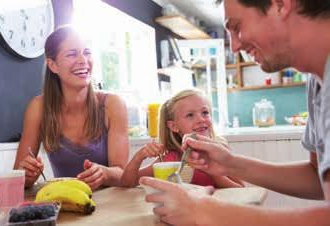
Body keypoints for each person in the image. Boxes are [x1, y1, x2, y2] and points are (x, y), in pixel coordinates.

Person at [140, 0, 330, 225]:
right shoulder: (317, 82)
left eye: (236, 27)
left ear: (281, 4)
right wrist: (230, 164)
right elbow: (316, 176)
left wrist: (210, 213)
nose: (234, 46)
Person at [14, 25, 129, 190]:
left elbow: (123, 174)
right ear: (53, 65)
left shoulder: (112, 105)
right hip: (66, 205)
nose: (83, 60)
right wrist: (28, 174)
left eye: (87, 52)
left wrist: (105, 174)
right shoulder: (38, 108)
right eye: (72, 54)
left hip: (109, 207)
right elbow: (19, 178)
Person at [121, 89, 243, 188]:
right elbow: (128, 183)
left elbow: (240, 190)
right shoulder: (170, 159)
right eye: (190, 115)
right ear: (174, 126)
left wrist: (212, 171)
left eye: (205, 113)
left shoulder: (220, 151)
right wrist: (139, 156)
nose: (201, 119)